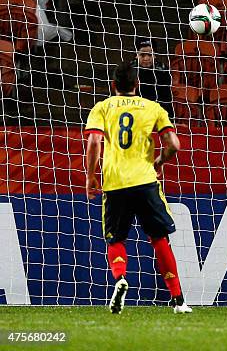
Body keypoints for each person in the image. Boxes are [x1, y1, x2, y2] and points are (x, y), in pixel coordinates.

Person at [85, 61, 191, 314]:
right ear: (138, 84)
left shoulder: (102, 107)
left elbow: (94, 142)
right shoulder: (153, 108)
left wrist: (91, 177)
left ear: (113, 85)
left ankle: (120, 278)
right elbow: (174, 144)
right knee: (159, 239)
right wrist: (159, 161)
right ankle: (178, 301)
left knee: (116, 239)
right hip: (145, 182)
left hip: (115, 184)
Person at [131, 38, 174, 118]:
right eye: (142, 55)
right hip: (135, 111)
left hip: (158, 110)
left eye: (150, 55)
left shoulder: (162, 71)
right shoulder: (130, 70)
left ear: (154, 55)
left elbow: (166, 97)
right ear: (136, 55)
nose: (146, 58)